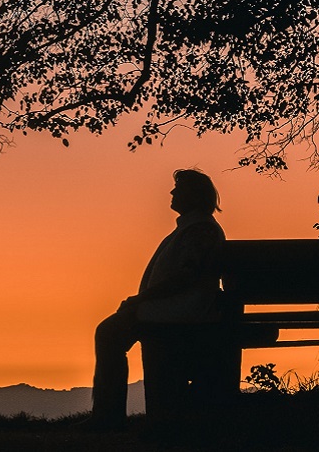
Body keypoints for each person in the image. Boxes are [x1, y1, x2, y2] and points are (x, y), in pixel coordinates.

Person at [84, 169, 226, 430]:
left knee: (109, 333)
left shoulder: (198, 230)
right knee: (108, 332)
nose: (172, 193)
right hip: (170, 310)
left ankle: (107, 417)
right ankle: (107, 416)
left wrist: (140, 300)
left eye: (178, 189)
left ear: (193, 195)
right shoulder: (194, 228)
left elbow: (185, 276)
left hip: (177, 314)